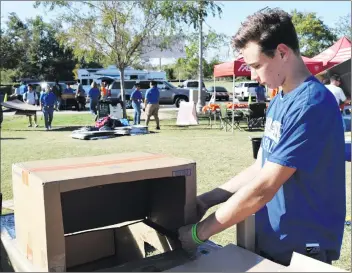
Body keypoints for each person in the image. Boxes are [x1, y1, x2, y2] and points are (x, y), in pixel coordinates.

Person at [178, 8, 345, 267]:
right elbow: (261, 166)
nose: (253, 76)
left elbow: (266, 186)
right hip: (273, 239)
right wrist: (208, 199)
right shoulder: (280, 98)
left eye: (256, 66)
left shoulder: (312, 103)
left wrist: (199, 233)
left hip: (302, 247)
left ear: (282, 52)